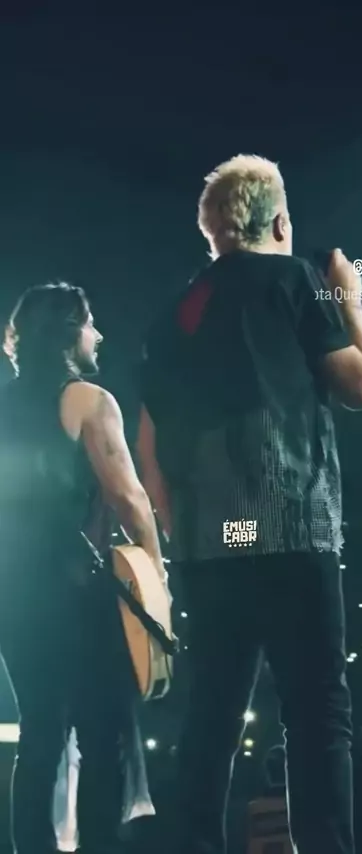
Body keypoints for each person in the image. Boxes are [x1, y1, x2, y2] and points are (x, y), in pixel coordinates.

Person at [136, 155, 362, 854]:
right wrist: (349, 300)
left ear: (212, 230)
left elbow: (148, 442)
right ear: (277, 223)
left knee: (211, 713)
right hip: (291, 530)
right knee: (316, 711)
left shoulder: (174, 313)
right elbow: (361, 386)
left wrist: (179, 526)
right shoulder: (294, 280)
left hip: (211, 544)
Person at [0, 282, 170, 854]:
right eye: (90, 323)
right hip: (75, 592)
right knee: (104, 736)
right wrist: (157, 582)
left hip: (13, 595)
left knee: (40, 736)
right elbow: (130, 499)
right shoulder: (87, 400)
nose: (98, 334)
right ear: (69, 333)